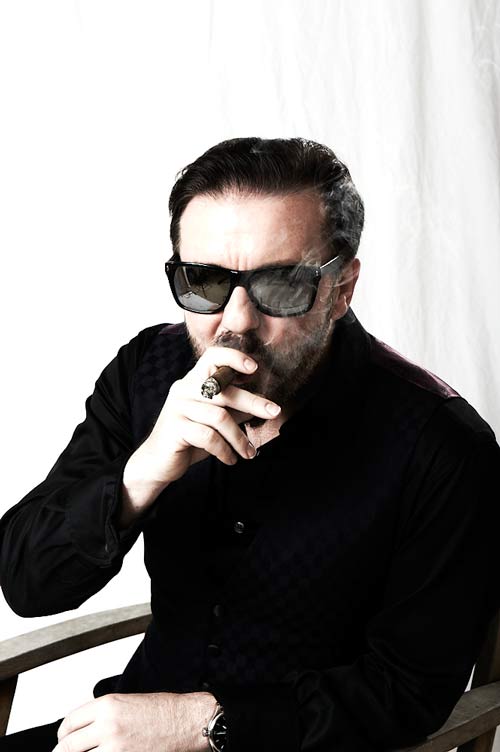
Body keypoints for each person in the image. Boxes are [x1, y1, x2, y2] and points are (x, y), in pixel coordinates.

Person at [0, 137, 499, 752]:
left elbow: (408, 691)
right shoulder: (144, 371)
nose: (236, 321)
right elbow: (28, 584)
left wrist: (197, 724)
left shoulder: (442, 446)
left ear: (342, 288)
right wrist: (140, 476)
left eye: (281, 285)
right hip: (123, 733)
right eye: (206, 281)